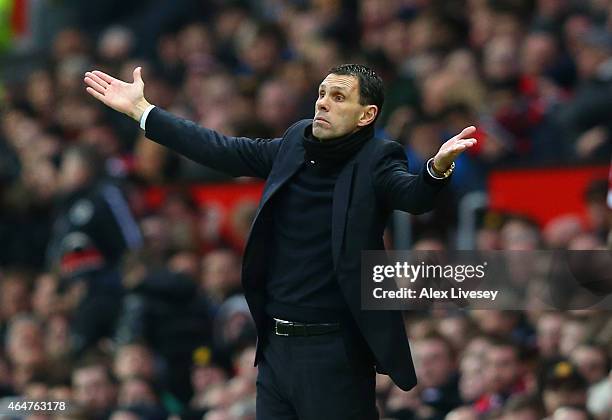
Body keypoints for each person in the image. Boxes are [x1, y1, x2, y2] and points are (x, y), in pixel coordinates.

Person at [84, 63, 477, 419]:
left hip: (334, 353)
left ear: (366, 115)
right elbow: (223, 150)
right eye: (321, 93)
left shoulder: (378, 158)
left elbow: (413, 196)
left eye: (338, 97)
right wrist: (143, 112)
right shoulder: (294, 142)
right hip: (274, 349)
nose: (322, 103)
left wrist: (437, 167)